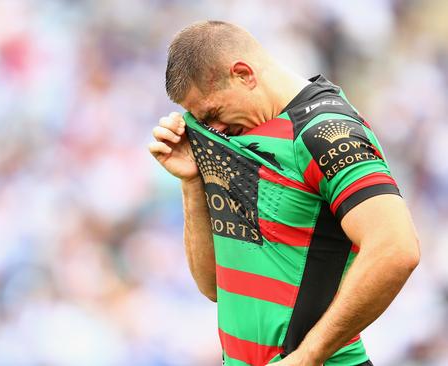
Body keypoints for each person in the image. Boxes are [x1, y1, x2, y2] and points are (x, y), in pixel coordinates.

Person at [149, 21, 420, 366]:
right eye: (202, 121)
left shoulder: (324, 131)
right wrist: (191, 183)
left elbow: (397, 249)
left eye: (212, 114)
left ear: (244, 74)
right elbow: (213, 287)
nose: (213, 130)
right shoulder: (239, 137)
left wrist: (308, 356)